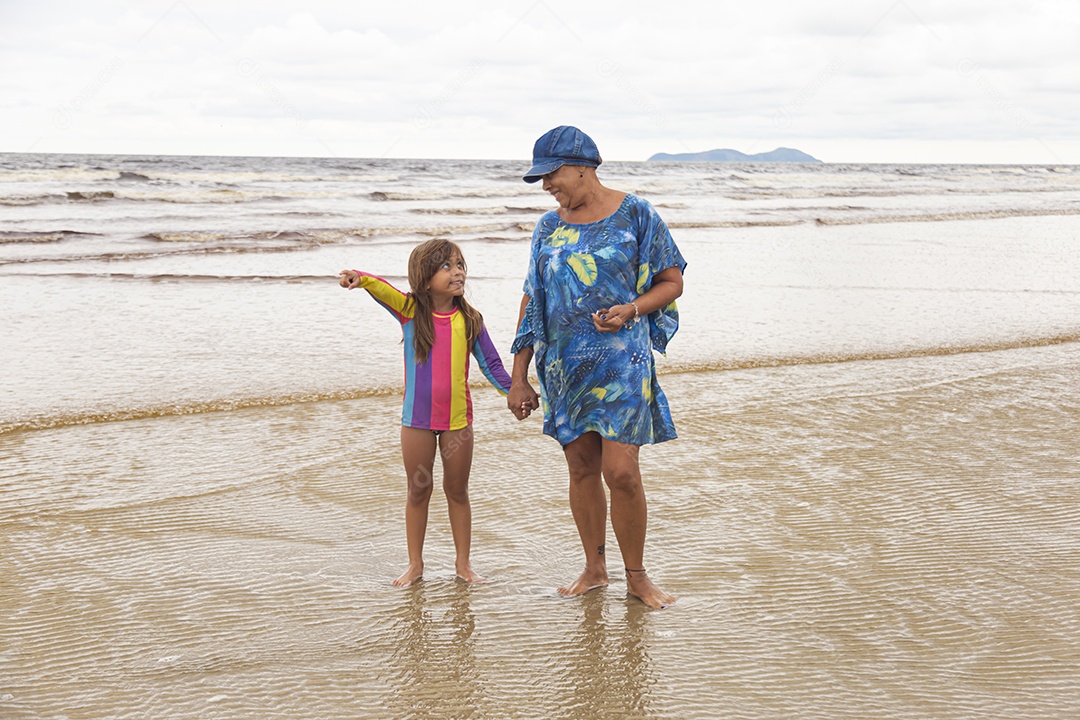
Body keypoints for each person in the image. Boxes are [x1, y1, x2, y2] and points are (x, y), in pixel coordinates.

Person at [507, 126, 686, 609]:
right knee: (582, 468)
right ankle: (594, 568)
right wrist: (519, 375)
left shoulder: (636, 213)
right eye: (541, 178)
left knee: (621, 471)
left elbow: (672, 282)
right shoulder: (548, 227)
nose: (547, 186)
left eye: (552, 174)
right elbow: (533, 299)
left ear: (583, 166)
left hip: (622, 362)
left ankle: (637, 577)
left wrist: (632, 309)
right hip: (564, 367)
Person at [339, 238, 512, 587]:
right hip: (416, 421)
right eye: (446, 266)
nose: (457, 272)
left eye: (460, 264)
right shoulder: (410, 311)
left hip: (457, 422)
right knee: (418, 490)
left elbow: (491, 364)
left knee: (457, 491)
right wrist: (361, 278)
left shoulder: (471, 319)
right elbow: (383, 290)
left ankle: (463, 565)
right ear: (424, 275)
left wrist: (515, 393)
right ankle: (415, 564)